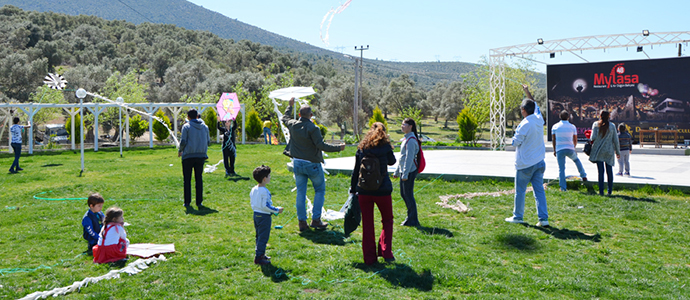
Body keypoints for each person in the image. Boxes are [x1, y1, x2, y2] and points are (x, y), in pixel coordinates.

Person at [281, 97, 345, 231]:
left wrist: (290, 105)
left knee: (301, 193)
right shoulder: (313, 128)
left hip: (297, 163)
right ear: (311, 115)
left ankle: (302, 223)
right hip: (313, 165)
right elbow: (321, 145)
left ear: (299, 115)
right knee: (320, 190)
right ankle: (316, 220)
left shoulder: (293, 124)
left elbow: (285, 118)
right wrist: (338, 147)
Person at [350, 122, 397, 265]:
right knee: (387, 220)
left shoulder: (362, 148)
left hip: (364, 190)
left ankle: (369, 258)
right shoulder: (386, 147)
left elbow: (356, 170)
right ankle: (386, 251)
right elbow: (392, 161)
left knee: (368, 224)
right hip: (382, 190)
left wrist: (353, 189)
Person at [505, 85, 549, 227]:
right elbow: (534, 103)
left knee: (520, 192)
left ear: (523, 111)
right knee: (539, 192)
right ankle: (543, 219)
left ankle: (518, 216)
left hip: (525, 164)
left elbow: (515, 142)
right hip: (540, 162)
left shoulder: (524, 124)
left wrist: (511, 138)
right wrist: (527, 92)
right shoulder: (539, 119)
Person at [250, 165, 283, 265]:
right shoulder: (264, 191)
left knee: (259, 236)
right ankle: (259, 258)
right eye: (269, 176)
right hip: (264, 217)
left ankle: (260, 254)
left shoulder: (254, 189)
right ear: (264, 179)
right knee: (263, 237)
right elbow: (265, 206)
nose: (270, 177)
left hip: (256, 215)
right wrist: (276, 210)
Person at [179, 109, 210, 208]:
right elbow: (208, 141)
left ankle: (187, 202)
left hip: (188, 156)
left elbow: (183, 141)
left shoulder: (186, 126)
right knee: (199, 179)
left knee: (187, 179)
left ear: (188, 117)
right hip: (201, 155)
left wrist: (180, 150)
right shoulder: (205, 127)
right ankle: (199, 201)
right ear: (197, 116)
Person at [393, 118, 421, 227]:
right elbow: (402, 158)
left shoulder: (411, 141)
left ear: (411, 126)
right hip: (404, 171)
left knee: (408, 195)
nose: (402, 126)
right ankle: (411, 217)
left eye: (404, 124)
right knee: (404, 194)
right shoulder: (406, 139)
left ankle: (412, 219)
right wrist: (397, 171)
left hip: (409, 171)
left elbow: (409, 159)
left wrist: (405, 174)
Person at [551, 110, 587, 191]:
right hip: (570, 148)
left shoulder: (555, 126)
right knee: (576, 160)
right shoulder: (572, 127)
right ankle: (583, 175)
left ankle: (563, 188)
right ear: (568, 117)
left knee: (561, 169)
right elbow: (575, 139)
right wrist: (574, 147)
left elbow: (554, 139)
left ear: (560, 117)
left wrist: (554, 150)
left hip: (560, 149)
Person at [589, 111, 620, 196]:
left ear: (600, 116)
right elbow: (615, 140)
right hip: (609, 151)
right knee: (609, 171)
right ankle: (609, 191)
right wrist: (617, 152)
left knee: (601, 172)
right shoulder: (612, 126)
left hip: (599, 151)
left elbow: (593, 137)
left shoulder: (595, 124)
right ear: (609, 116)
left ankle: (601, 191)